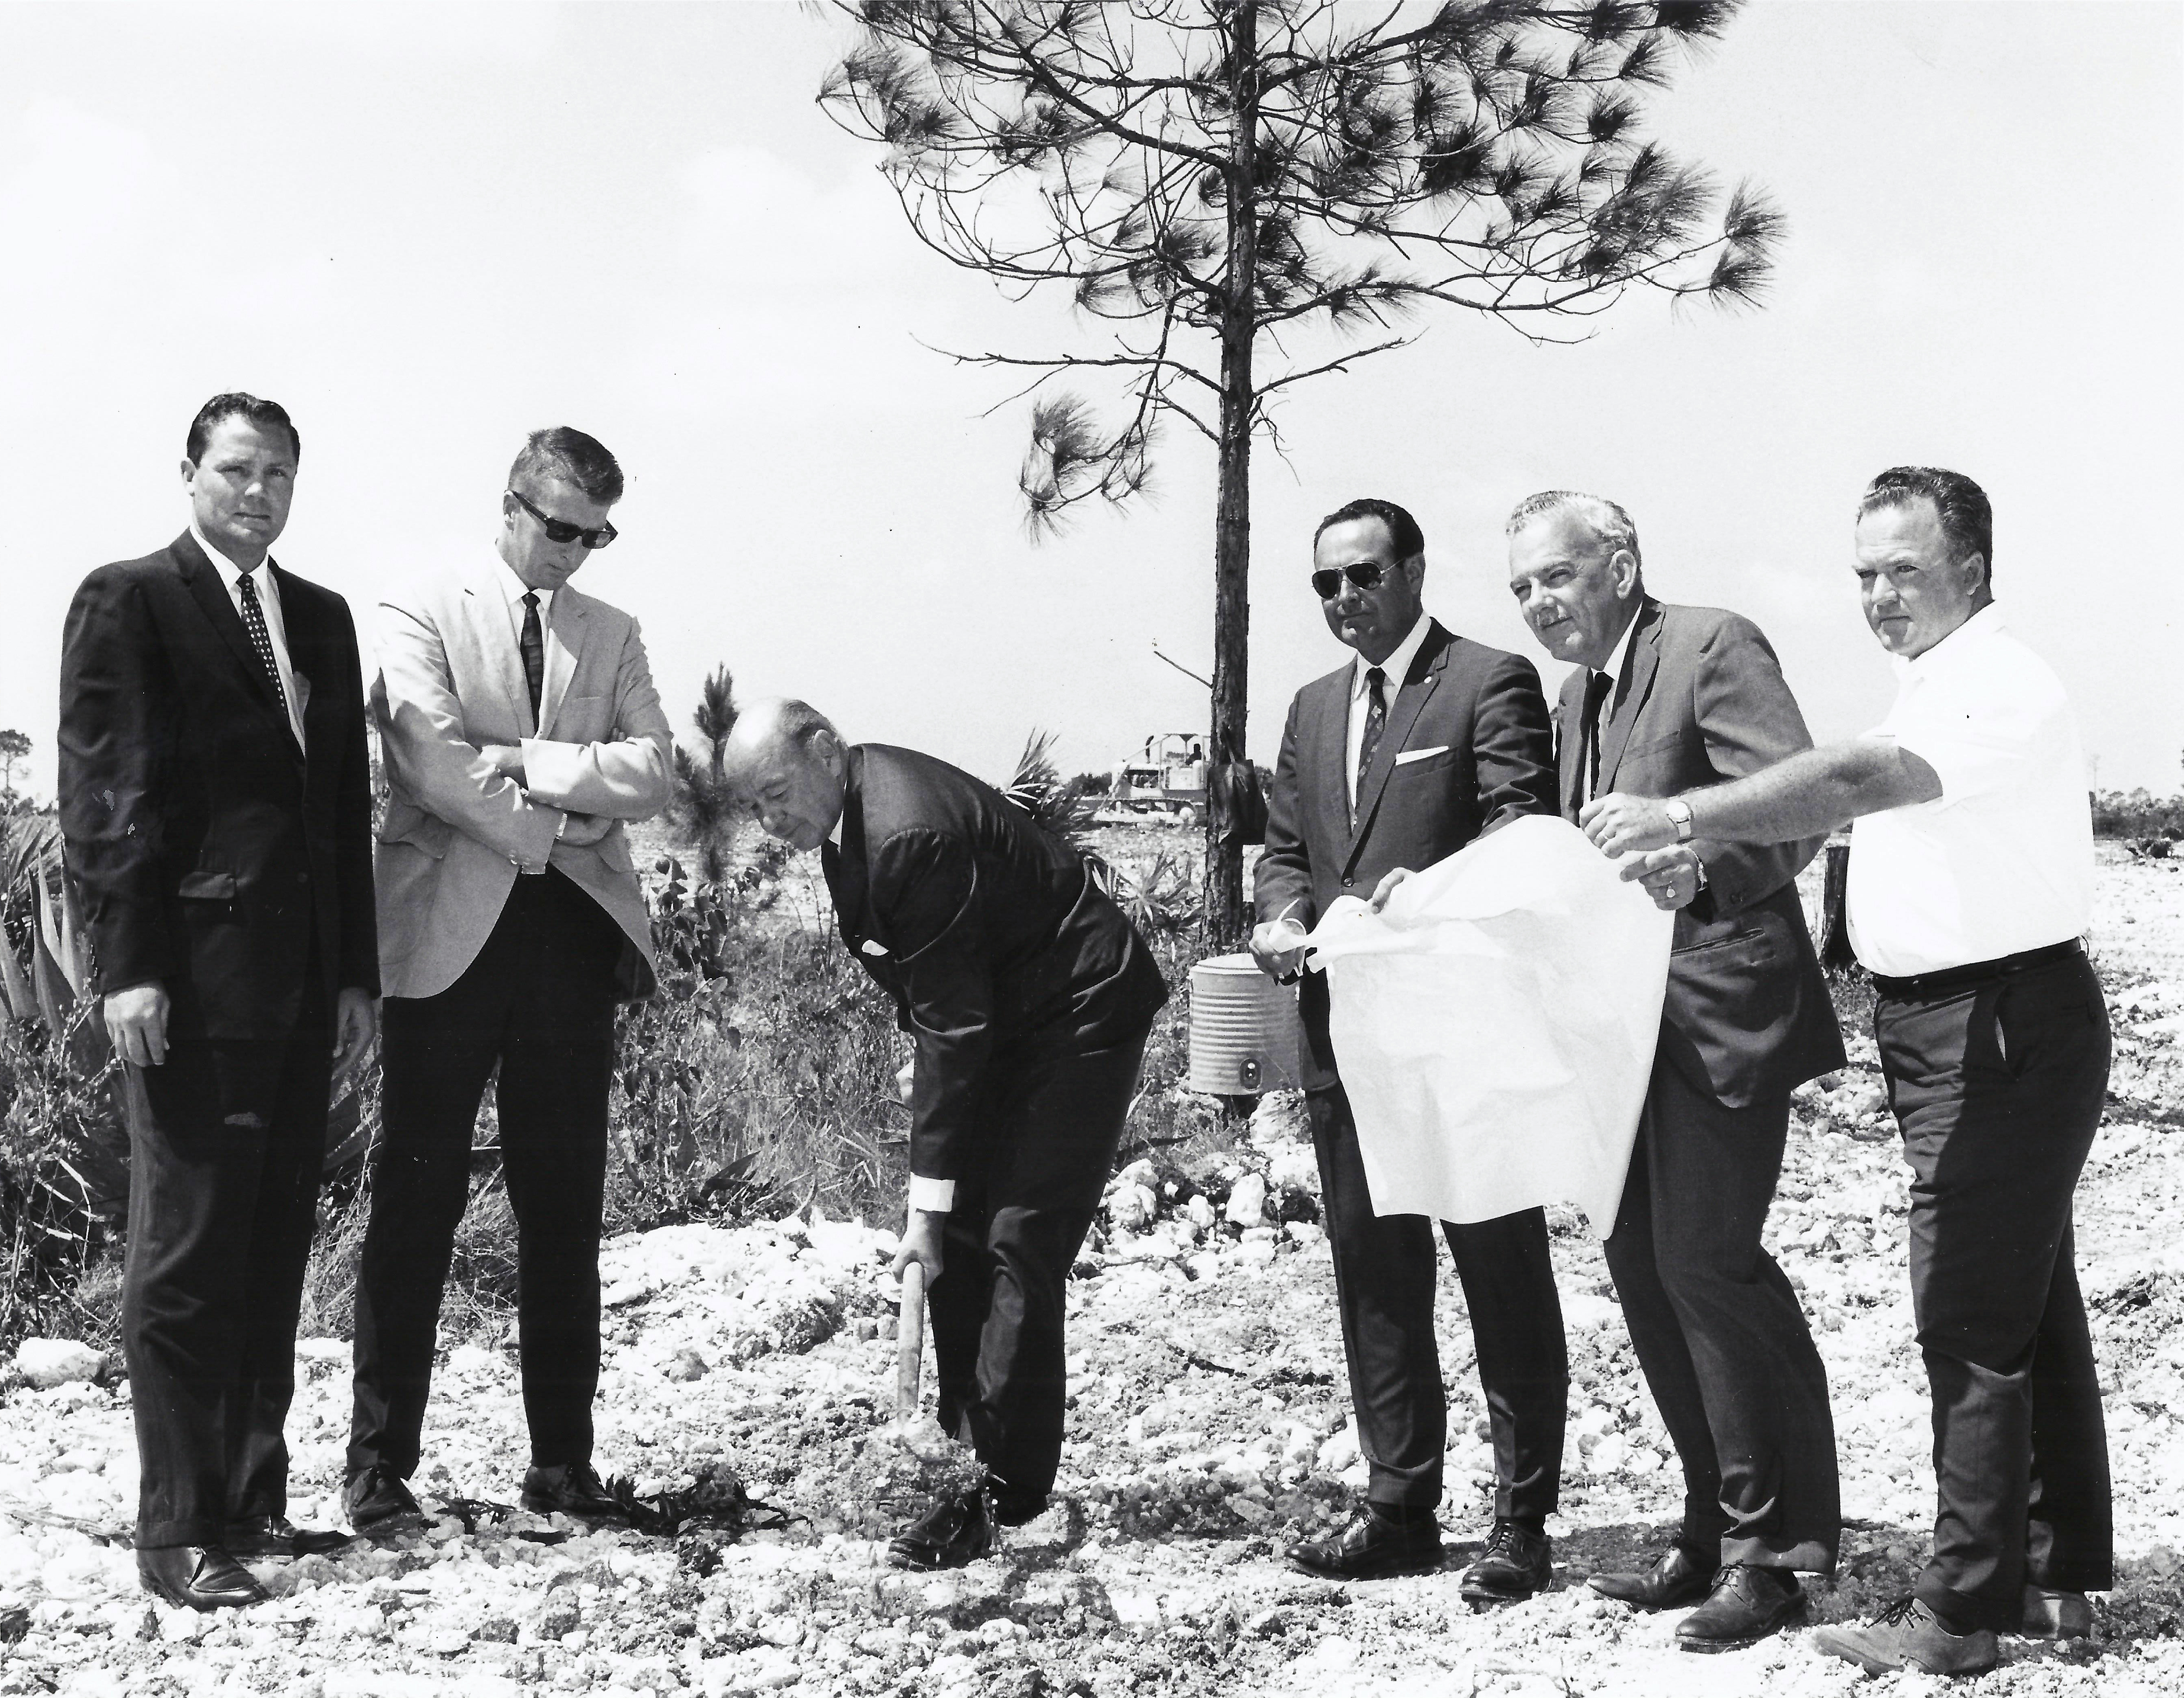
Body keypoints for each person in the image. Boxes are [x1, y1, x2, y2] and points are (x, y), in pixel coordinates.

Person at [1584, 467, 2111, 1677]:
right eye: (1864, 573)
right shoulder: (1932, 680)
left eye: (1904, 570)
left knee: (1969, 1315)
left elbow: (1855, 781)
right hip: (1959, 1023)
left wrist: (1688, 819)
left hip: (1998, 1025)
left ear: (1971, 569)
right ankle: (2060, 1573)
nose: (1877, 595)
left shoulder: (1996, 685)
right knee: (2030, 1299)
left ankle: (1961, 1613)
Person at [1503, 491, 1844, 1650]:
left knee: (1705, 1261)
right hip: (1621, 1031)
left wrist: (1697, 861)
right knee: (1641, 1265)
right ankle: (1710, 1521)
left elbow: (1797, 803)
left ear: (1621, 562)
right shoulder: (1573, 696)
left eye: (1555, 576)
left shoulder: (1711, 643)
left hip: (1718, 1013)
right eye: (1521, 590)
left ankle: (1773, 1551)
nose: (1540, 604)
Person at [58, 394, 379, 1609]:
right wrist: (126, 966)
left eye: (280, 472)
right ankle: (177, 1529)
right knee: (187, 1251)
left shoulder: (322, 618)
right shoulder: (130, 599)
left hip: (300, 990)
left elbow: (337, 807)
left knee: (271, 1242)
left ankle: (252, 1495)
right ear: (188, 472)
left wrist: (354, 970)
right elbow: (107, 801)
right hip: (185, 987)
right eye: (237, 469)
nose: (259, 491)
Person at [721, 700, 1168, 1570]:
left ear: (825, 749)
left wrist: (924, 1203)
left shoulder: (903, 831)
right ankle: (967, 1458)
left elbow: (957, 1026)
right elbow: (939, 988)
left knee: (1013, 1243)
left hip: (1078, 1014)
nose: (770, 822)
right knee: (963, 1235)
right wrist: (928, 1060)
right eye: (754, 808)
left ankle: (994, 1489)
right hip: (1006, 1020)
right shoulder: (849, 816)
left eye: (776, 795)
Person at [344, 428, 673, 1536]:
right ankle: (380, 1468)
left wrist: (530, 766)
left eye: (595, 536)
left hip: (570, 942)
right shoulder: (420, 606)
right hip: (446, 936)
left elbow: (655, 770)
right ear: (511, 506)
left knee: (564, 1207)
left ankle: (562, 1465)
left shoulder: (613, 632)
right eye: (558, 528)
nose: (573, 555)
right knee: (417, 1201)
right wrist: (557, 827)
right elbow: (429, 762)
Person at [1249, 498, 1569, 1604]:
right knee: (1375, 1278)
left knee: (1501, 1276)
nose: (1346, 598)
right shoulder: (1310, 707)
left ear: (1415, 571)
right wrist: (1280, 915)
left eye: (1364, 575)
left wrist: (1427, 896)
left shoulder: (1488, 679)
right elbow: (1286, 849)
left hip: (1462, 1028)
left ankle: (1520, 1520)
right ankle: (1398, 1505)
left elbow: (1521, 826)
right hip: (1349, 1032)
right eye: (1327, 583)